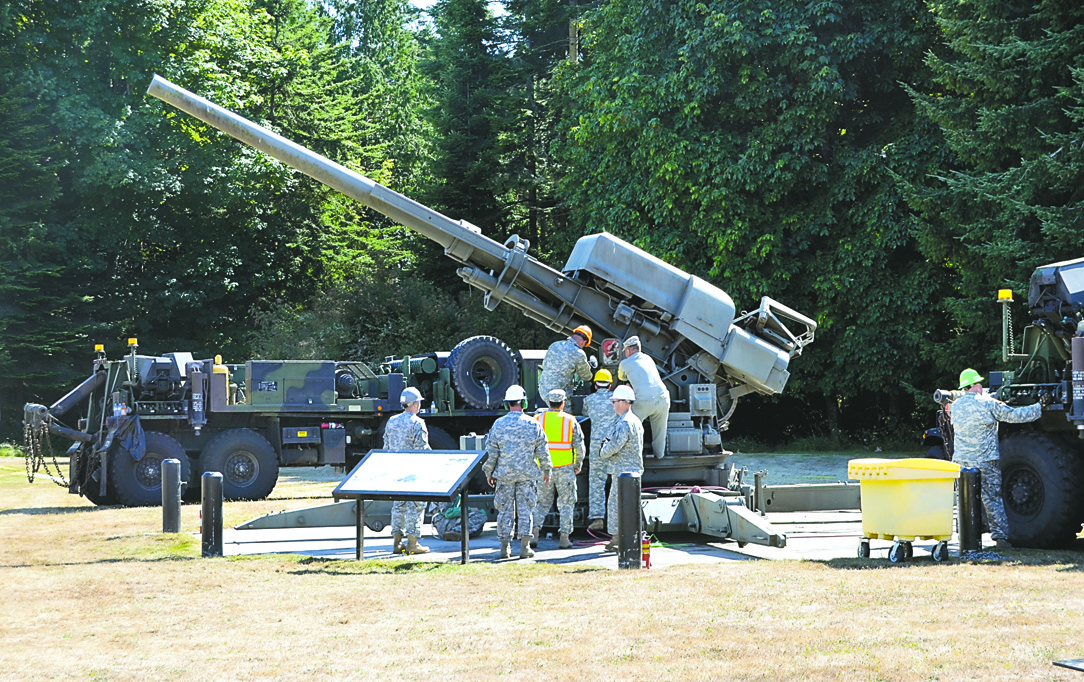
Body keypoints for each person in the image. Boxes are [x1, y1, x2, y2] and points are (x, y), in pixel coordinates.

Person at [949, 368, 1042, 550]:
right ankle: (1000, 539)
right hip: (986, 460)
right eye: (980, 384)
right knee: (992, 499)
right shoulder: (988, 403)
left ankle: (965, 538)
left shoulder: (955, 407)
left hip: (962, 462)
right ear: (976, 385)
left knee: (964, 499)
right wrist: (1040, 407)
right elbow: (1015, 416)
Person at [483, 384, 552, 559]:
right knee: (526, 509)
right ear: (524, 402)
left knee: (504, 510)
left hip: (504, 475)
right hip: (527, 474)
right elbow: (542, 450)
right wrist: (546, 470)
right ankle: (524, 547)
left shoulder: (498, 424)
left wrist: (488, 472)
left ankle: (504, 548)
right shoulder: (533, 423)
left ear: (507, 403)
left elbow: (492, 451)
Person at [531, 389, 586, 549]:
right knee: (566, 503)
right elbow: (579, 446)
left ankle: (534, 534)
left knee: (541, 503)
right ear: (563, 403)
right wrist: (578, 464)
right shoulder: (570, 420)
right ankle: (564, 538)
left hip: (543, 469)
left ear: (548, 402)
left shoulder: (537, 419)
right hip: (565, 469)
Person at [384, 386, 431, 555]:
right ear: (415, 403)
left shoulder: (392, 421)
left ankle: (397, 542)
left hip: (396, 470)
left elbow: (386, 446)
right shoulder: (417, 423)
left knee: (398, 505)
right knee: (416, 505)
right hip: (414, 471)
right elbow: (423, 450)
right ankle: (413, 542)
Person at [598, 384, 644, 551]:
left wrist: (603, 450)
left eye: (615, 401)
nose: (613, 405)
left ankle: (619, 539)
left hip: (622, 471)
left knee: (617, 506)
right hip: (631, 470)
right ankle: (625, 539)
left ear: (624, 402)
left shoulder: (624, 423)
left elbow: (613, 447)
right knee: (629, 506)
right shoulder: (635, 421)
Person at [617, 336, 670, 458]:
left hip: (644, 401)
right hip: (663, 398)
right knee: (659, 431)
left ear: (628, 351)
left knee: (634, 427)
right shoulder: (648, 358)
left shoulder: (625, 363)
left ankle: (636, 457)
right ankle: (660, 456)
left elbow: (621, 377)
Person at [582, 369, 620, 530]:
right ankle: (617, 520)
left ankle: (597, 519)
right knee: (617, 481)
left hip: (597, 445)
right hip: (615, 443)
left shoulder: (589, 400)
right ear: (610, 385)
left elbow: (585, 414)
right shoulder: (617, 400)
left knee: (597, 481)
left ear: (595, 385)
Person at [538, 325, 594, 405]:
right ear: (584, 342)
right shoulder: (578, 353)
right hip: (559, 395)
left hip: (543, 391)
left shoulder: (554, 345)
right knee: (564, 416)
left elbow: (545, 364)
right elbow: (586, 377)